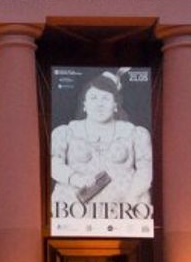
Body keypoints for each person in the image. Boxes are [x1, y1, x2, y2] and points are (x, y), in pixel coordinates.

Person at [51, 70, 152, 207]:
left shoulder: (135, 133)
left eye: (105, 98)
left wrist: (131, 197)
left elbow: (145, 171)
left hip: (125, 209)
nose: (99, 104)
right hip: (74, 209)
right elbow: (55, 165)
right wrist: (77, 179)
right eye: (93, 98)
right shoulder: (66, 132)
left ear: (115, 106)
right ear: (85, 105)